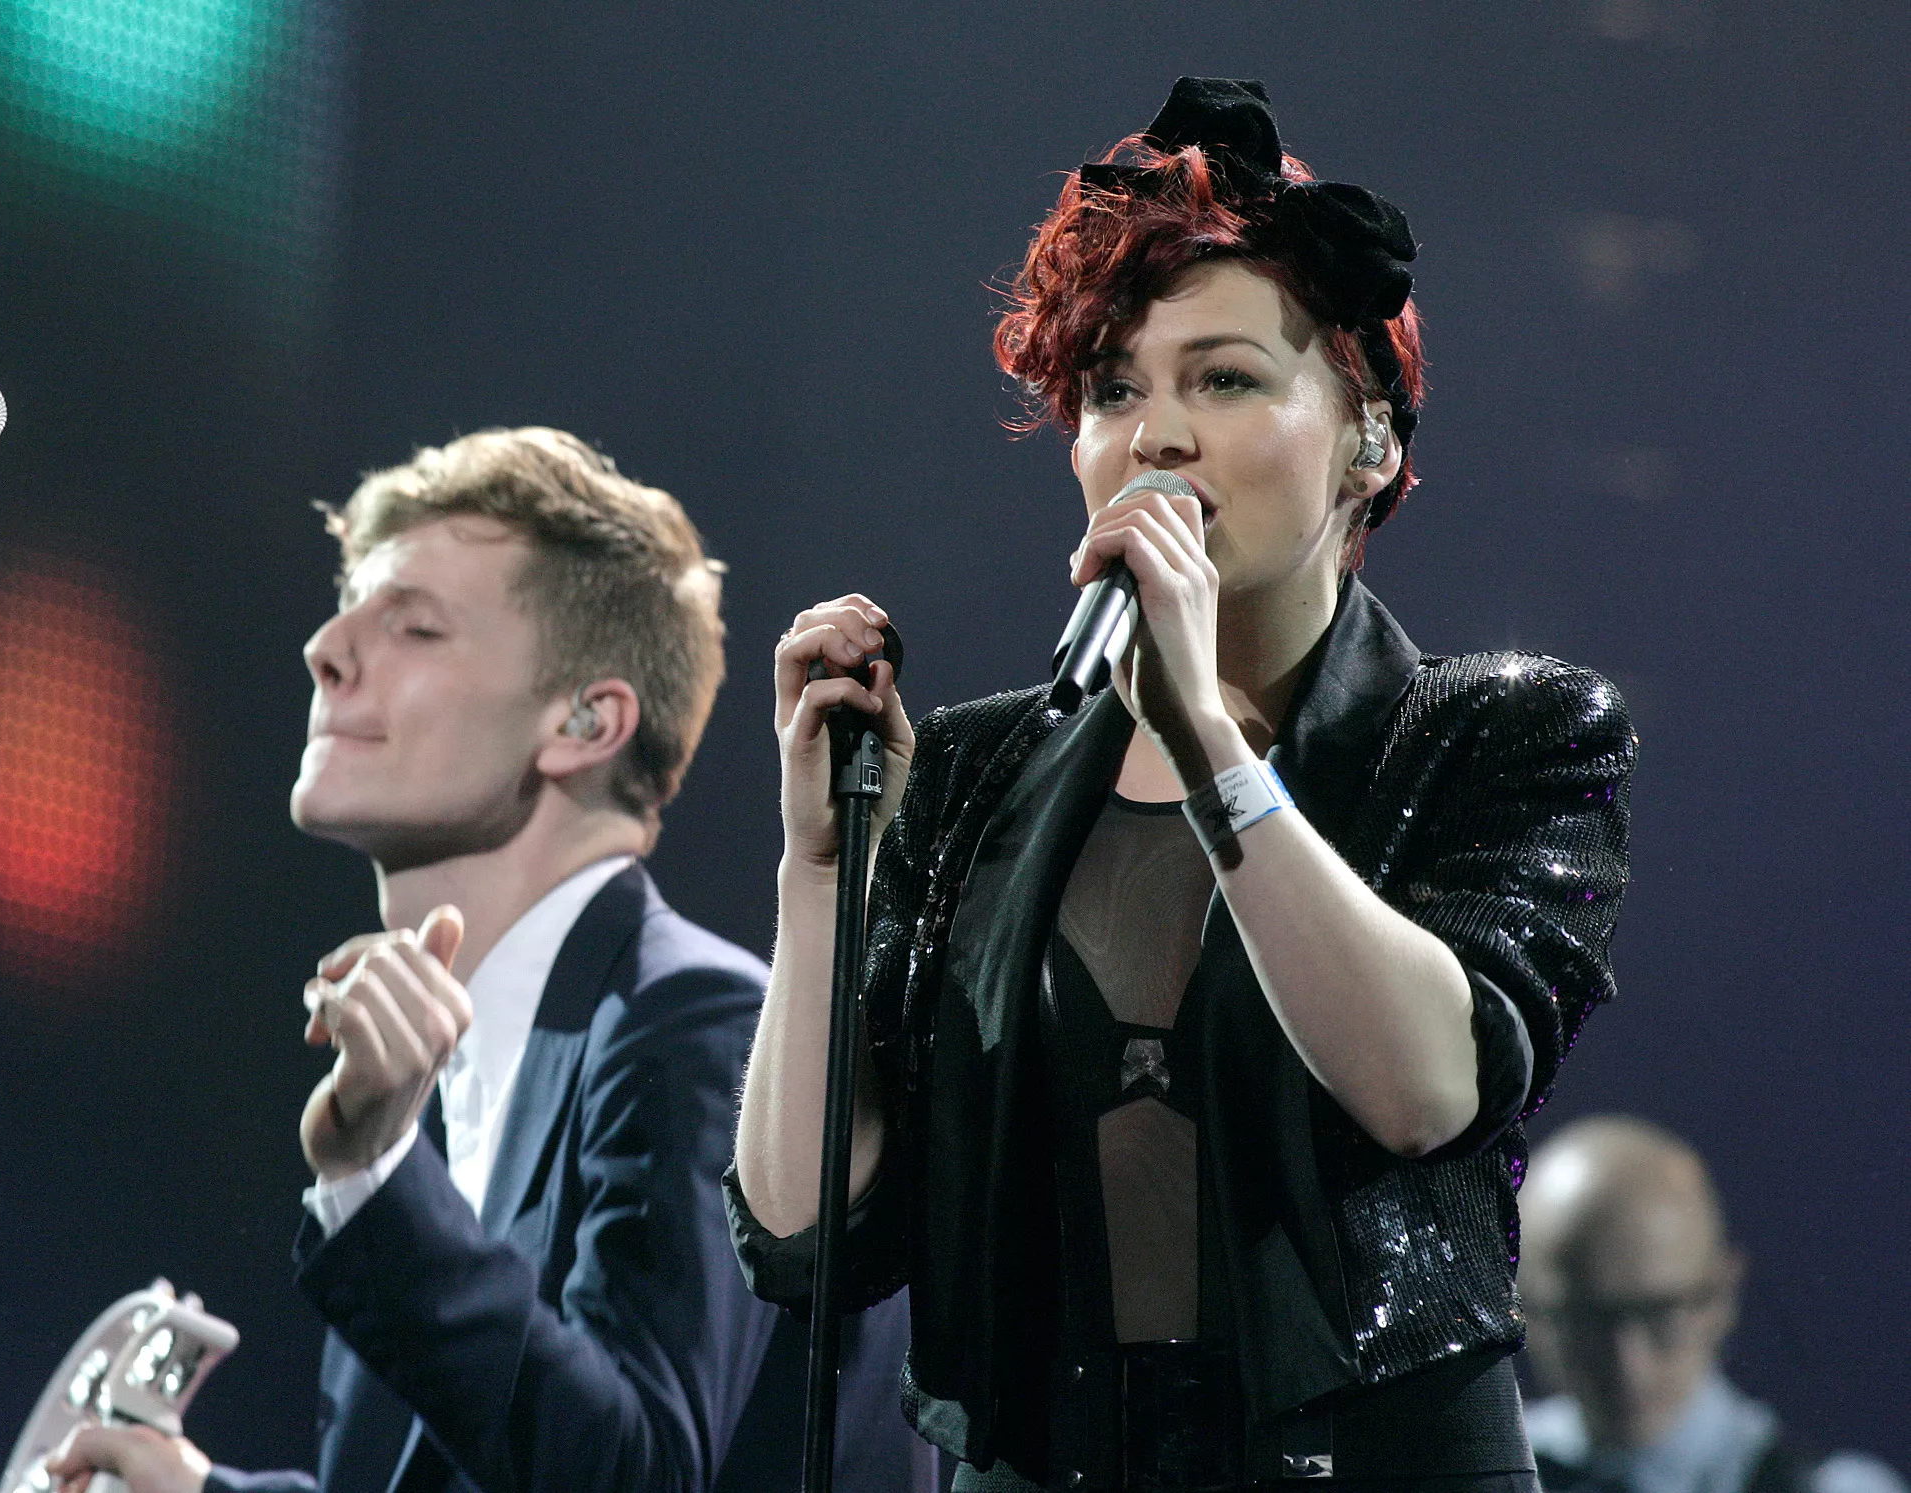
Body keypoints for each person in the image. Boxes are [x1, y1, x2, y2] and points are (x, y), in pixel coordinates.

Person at [727, 78, 1637, 1491]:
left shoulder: (1499, 733)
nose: (1154, 435)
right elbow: (806, 1236)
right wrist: (822, 875)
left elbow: (1422, 1090)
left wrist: (1209, 743)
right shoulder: (973, 774)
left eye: (1224, 378)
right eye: (1112, 389)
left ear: (1370, 437)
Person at [50, 429, 933, 1493]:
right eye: (347, 608)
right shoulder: (444, 1077)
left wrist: (373, 1175)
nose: (325, 648)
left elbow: (635, 1473)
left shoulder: (701, 1028)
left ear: (586, 719)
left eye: (415, 625)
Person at [1519, 1116, 1906, 1493]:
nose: (1628, 1365)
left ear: (1723, 1292)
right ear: (1524, 1311)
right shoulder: (1497, 1469)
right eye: (1584, 1321)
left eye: (1661, 1314)